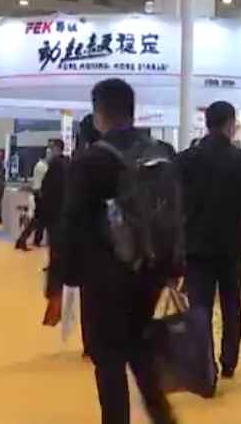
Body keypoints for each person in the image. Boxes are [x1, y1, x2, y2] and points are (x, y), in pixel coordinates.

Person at [58, 80, 176, 424]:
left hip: (104, 275)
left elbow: (72, 222)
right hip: (150, 271)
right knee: (140, 348)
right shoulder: (160, 153)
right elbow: (174, 212)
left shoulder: (91, 160)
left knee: (108, 359)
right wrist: (172, 266)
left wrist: (65, 277)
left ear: (99, 114)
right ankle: (163, 417)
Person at [176, 100, 241, 380]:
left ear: (207, 123)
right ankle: (229, 360)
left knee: (199, 306)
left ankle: (204, 363)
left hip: (195, 245)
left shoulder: (186, 159)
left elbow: (175, 201)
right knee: (231, 305)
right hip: (231, 244)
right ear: (230, 124)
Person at [18, 139, 65, 251]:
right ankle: (25, 240)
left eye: (52, 148)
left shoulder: (50, 164)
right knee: (40, 221)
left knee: (39, 221)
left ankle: (25, 240)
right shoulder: (45, 165)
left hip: (43, 196)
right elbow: (43, 183)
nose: (50, 151)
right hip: (42, 196)